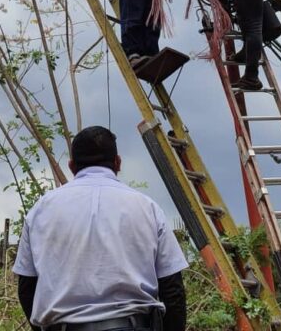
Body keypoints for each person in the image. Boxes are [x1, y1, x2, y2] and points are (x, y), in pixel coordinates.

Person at [13, 125, 188, 331]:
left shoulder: (41, 210)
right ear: (118, 162)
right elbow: (173, 290)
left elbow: (27, 288)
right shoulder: (147, 208)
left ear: (71, 166)